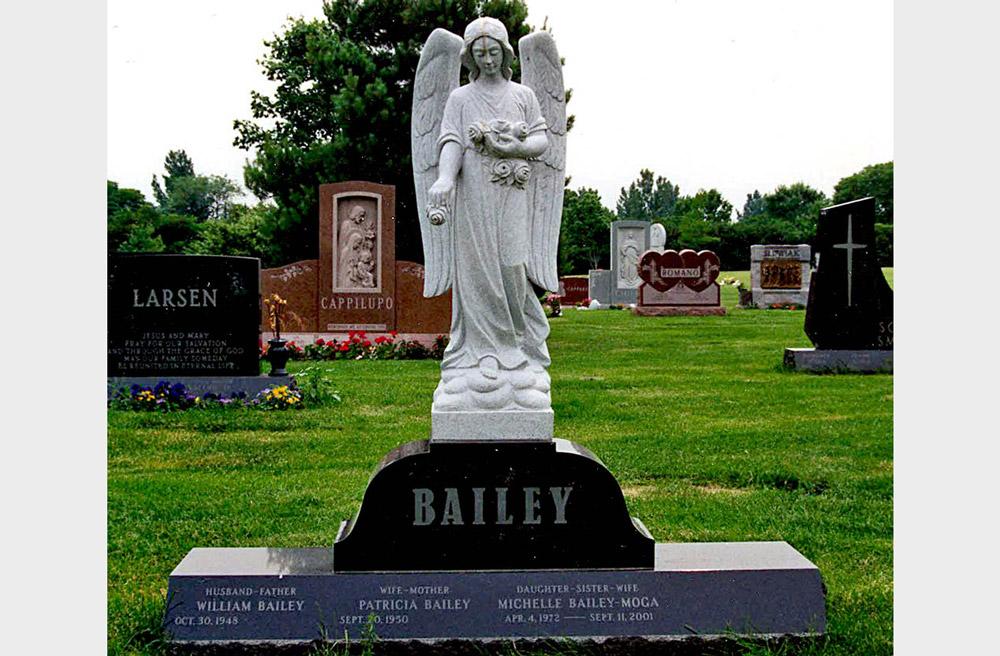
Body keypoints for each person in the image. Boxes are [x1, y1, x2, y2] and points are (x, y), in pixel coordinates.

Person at [427, 18, 550, 382]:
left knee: (512, 265)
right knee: (477, 271)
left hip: (511, 193)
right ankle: (482, 353)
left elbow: (542, 141)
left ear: (505, 51)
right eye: (480, 54)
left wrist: (516, 147)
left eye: (493, 51)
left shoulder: (523, 95)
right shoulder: (460, 99)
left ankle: (516, 343)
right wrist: (445, 179)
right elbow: (451, 141)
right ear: (470, 57)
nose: (488, 59)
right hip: (474, 196)